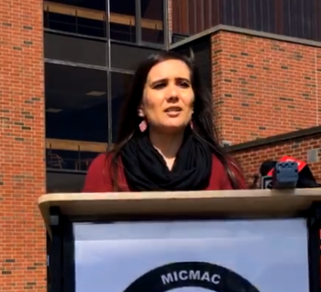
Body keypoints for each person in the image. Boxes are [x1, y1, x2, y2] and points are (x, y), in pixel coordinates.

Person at [82, 51, 247, 193]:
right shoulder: (108, 169)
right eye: (160, 85)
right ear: (140, 106)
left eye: (183, 84)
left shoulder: (225, 169)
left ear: (194, 102)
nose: (173, 94)